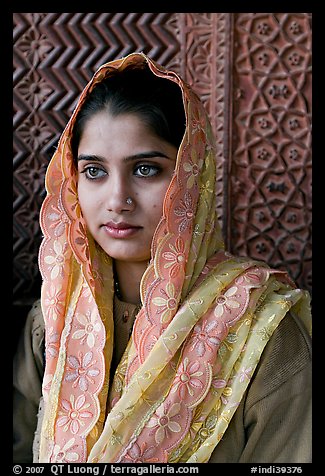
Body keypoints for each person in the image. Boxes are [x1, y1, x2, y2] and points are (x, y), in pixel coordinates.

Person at [13, 52, 312, 464]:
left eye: (146, 170)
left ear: (192, 177)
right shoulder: (53, 323)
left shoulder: (262, 332)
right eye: (95, 171)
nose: (118, 200)